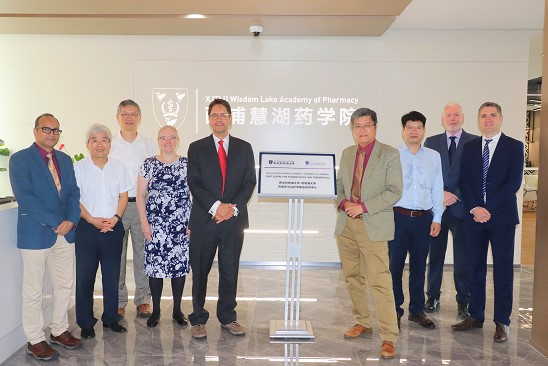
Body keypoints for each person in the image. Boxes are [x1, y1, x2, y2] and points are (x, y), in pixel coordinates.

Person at [9, 113, 82, 360]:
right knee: (33, 289)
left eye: (56, 130)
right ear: (35, 131)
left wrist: (71, 220)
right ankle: (35, 339)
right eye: (47, 129)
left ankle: (59, 330)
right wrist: (57, 222)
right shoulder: (20, 160)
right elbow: (26, 197)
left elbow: (73, 193)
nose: (51, 134)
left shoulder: (64, 159)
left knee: (64, 285)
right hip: (36, 234)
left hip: (65, 234)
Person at [452, 102, 523, 343]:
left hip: (501, 218)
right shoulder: (470, 147)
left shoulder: (514, 146)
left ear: (501, 118)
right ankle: (476, 316)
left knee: (503, 271)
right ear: (478, 119)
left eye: (493, 115)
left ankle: (502, 321)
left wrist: (487, 209)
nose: (488, 119)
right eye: (483, 115)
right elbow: (464, 181)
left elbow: (513, 183)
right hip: (474, 218)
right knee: (474, 269)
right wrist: (474, 208)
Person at [335, 108, 402, 359]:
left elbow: (395, 191)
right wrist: (344, 205)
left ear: (375, 127)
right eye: (357, 126)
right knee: (353, 277)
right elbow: (340, 186)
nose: (362, 130)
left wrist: (361, 207)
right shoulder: (347, 153)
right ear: (352, 129)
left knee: (380, 280)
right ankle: (362, 321)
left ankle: (388, 337)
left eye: (367, 125)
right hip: (346, 224)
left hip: (373, 223)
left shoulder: (389, 154)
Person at [187, 98, 256, 339]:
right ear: (209, 119)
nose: (219, 119)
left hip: (233, 222)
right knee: (200, 272)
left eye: (223, 115)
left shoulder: (244, 147)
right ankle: (198, 319)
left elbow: (249, 182)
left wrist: (231, 209)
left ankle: (228, 317)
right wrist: (216, 207)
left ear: (230, 118)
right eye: (214, 115)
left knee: (230, 271)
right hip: (204, 221)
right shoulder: (196, 148)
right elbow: (194, 182)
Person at [74, 124, 131, 338]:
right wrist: (91, 219)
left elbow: (124, 196)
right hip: (87, 228)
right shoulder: (79, 167)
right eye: (94, 140)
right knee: (85, 277)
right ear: (88, 144)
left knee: (112, 276)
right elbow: (75, 199)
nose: (100, 144)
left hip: (113, 228)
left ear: (110, 143)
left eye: (104, 140)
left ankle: (111, 319)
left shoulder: (119, 167)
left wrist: (116, 218)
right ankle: (86, 323)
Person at [388, 111, 444, 329]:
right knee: (394, 267)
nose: (413, 131)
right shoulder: (392, 155)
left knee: (419, 267)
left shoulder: (433, 156)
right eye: (409, 127)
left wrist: (437, 217)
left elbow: (437, 187)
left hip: (423, 219)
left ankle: (417, 311)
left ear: (424, 131)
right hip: (398, 218)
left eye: (418, 127)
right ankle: (394, 309)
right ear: (403, 130)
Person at [424, 102, 477, 317]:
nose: (452, 118)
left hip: (463, 210)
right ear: (442, 118)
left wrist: (453, 194)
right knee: (434, 256)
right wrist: (441, 195)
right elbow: (427, 174)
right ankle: (432, 296)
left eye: (456, 115)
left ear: (463, 118)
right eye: (448, 115)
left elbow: (474, 177)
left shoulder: (474, 142)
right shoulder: (431, 142)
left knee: (463, 258)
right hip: (437, 210)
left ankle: (464, 299)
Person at [136, 126, 192, 328]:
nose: (167, 141)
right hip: (155, 225)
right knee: (155, 269)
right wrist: (144, 222)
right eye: (163, 138)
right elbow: (141, 194)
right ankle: (157, 310)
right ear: (158, 140)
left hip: (180, 225)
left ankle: (177, 310)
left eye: (172, 138)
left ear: (178, 140)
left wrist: (191, 223)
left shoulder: (187, 164)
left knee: (179, 269)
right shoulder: (149, 164)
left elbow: (195, 194)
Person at [110, 99, 156, 318]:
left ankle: (143, 300)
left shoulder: (148, 145)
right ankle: (118, 301)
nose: (129, 118)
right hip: (115, 207)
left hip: (141, 207)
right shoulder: (109, 144)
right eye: (124, 114)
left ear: (139, 118)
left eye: (133, 114)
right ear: (117, 117)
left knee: (143, 253)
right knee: (116, 256)